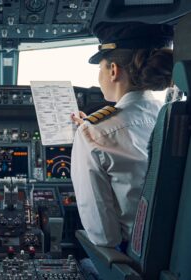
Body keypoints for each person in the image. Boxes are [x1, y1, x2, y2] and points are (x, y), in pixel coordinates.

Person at [70, 22, 173, 249]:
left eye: (101, 68)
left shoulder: (93, 133)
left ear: (114, 70)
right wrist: (90, 131)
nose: (99, 76)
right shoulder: (174, 119)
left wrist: (86, 134)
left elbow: (104, 237)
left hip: (134, 259)